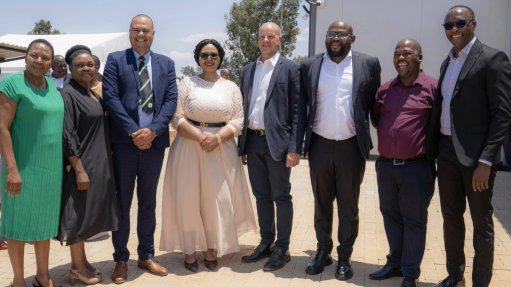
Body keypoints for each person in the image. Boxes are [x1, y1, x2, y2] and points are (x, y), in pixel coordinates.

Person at [427, 5, 511, 287]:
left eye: (460, 23)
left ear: (473, 24)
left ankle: (480, 282)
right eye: (448, 25)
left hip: (476, 160)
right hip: (447, 152)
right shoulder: (448, 61)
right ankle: (454, 274)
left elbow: (502, 114)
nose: (454, 30)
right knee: (451, 218)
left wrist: (487, 161)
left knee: (482, 224)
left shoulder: (492, 59)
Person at [159, 39, 257, 273]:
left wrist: (218, 137)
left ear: (220, 57)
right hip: (188, 146)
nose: (209, 59)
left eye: (214, 54)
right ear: (198, 58)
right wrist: (200, 137)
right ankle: (190, 250)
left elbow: (238, 119)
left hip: (221, 147)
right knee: (189, 198)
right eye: (204, 55)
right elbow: (177, 116)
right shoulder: (187, 83)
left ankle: (212, 247)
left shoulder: (231, 87)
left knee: (217, 199)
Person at [301, 20, 381, 280]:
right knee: (321, 204)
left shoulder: (368, 64)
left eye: (341, 34)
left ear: (352, 38)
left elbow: (374, 104)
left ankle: (344, 257)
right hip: (319, 144)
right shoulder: (310, 65)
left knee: (348, 206)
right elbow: (303, 105)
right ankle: (323, 252)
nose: (335, 37)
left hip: (350, 146)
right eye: (331, 33)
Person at [102, 14, 178, 284]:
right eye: (136, 30)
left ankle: (146, 255)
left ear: (154, 33)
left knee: (148, 203)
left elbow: (170, 101)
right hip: (124, 144)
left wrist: (153, 131)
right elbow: (110, 98)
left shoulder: (166, 64)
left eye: (146, 30)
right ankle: (121, 259)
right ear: (129, 32)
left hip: (154, 145)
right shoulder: (115, 60)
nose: (141, 35)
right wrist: (134, 132)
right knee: (122, 203)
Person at [238, 22, 305, 272]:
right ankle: (266, 242)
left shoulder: (291, 68)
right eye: (262, 36)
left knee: (281, 196)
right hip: (253, 141)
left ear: (280, 39)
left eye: (271, 36)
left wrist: (295, 147)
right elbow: (245, 107)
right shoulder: (247, 69)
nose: (265, 40)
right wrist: (242, 145)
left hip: (277, 143)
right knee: (261, 195)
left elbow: (298, 111)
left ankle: (282, 248)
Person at [370, 39, 437, 287]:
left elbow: (438, 124)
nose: (400, 57)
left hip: (416, 169)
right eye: (397, 53)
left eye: (407, 53)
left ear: (420, 57)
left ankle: (410, 273)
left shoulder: (433, 88)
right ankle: (394, 263)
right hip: (386, 166)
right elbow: (377, 119)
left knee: (414, 220)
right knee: (390, 216)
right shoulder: (385, 90)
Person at [0, 39, 64, 287]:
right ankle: (18, 280)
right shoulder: (12, 84)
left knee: (44, 223)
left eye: (45, 57)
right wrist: (12, 170)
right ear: (25, 57)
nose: (39, 60)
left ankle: (42, 275)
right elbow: (2, 129)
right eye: (34, 55)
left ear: (51, 61)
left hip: (50, 169)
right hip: (22, 167)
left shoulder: (50, 85)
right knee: (16, 225)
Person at [57, 45, 120, 285]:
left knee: (87, 213)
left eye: (90, 64)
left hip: (97, 162)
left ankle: (82, 262)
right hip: (81, 165)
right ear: (70, 68)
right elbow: (67, 133)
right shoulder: (68, 94)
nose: (86, 68)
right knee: (78, 215)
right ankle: (76, 267)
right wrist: (79, 169)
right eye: (80, 65)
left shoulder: (89, 92)